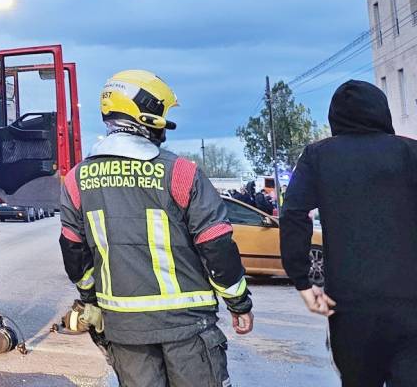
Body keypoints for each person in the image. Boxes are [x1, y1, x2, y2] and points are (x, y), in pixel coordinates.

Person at [59, 70, 253, 386]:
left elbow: (75, 255)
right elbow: (216, 245)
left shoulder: (76, 181)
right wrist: (239, 303)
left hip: (124, 331)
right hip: (187, 327)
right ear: (147, 113)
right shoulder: (180, 173)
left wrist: (91, 300)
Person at [280, 79, 417, 385]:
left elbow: (293, 214)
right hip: (411, 303)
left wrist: (302, 280)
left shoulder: (317, 156)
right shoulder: (410, 152)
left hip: (351, 306)